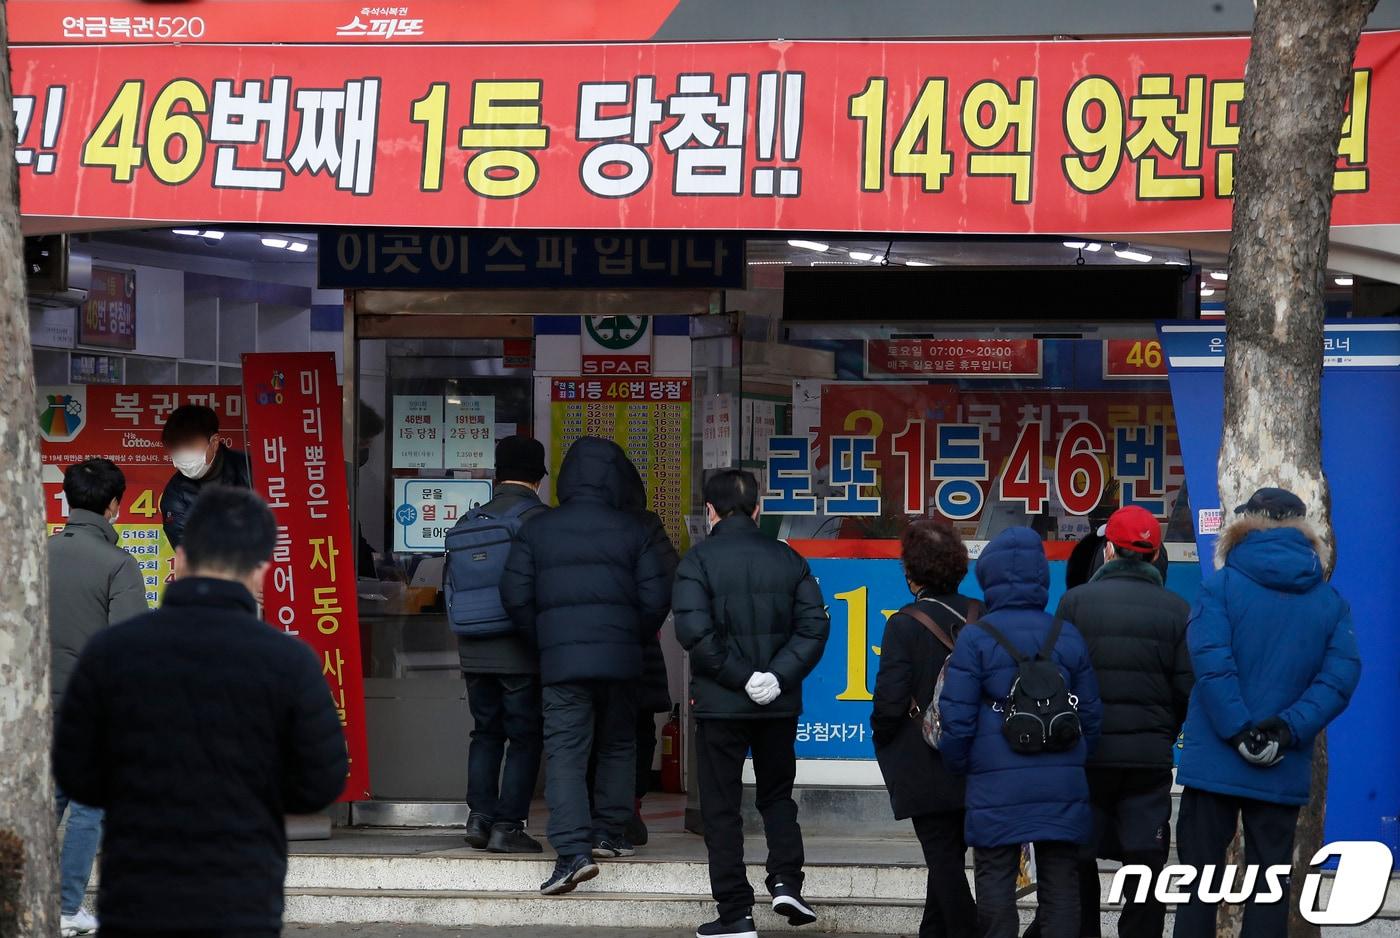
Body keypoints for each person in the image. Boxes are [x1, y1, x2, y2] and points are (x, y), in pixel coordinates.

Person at [53, 486, 349, 938]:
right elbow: (321, 782)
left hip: (137, 893)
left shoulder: (113, 652)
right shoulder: (289, 661)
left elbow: (76, 774)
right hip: (244, 893)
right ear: (260, 570)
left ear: (180, 559)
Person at [1173, 488, 1360, 938]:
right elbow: (1340, 676)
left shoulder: (1218, 588)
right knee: (1270, 888)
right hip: (1281, 764)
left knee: (1197, 883)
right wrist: (1286, 729)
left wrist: (1239, 730)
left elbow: (1211, 663)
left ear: (1244, 525)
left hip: (1215, 762)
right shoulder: (1329, 603)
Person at [499, 437, 675, 896]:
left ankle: (572, 853)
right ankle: (610, 833)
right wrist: (628, 637)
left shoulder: (538, 529)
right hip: (621, 660)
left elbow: (514, 595)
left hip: (562, 663)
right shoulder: (634, 529)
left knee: (566, 752)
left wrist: (548, 640)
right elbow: (657, 596)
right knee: (618, 744)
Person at [673, 469, 831, 938]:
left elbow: (694, 633)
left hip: (720, 705)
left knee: (721, 807)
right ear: (758, 510)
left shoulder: (696, 561)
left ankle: (735, 913)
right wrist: (776, 677)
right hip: (776, 706)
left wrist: (742, 678)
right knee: (777, 795)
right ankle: (787, 881)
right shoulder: (789, 559)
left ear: (710, 511)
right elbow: (814, 627)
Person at [1028, 506, 1192, 938]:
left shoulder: (1075, 603)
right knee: (1146, 861)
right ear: (1155, 554)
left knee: (1078, 856)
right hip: (1148, 762)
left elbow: (1052, 678)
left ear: (1109, 550)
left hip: (1085, 757)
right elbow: (1186, 689)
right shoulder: (1178, 609)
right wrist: (1162, 732)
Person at [937, 526, 1102, 938]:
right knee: (1061, 883)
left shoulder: (975, 638)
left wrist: (962, 767)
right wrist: (1074, 761)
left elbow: (956, 719)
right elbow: (1091, 716)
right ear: (1041, 577)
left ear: (988, 578)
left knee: (995, 877)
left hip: (995, 785)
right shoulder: (1065, 633)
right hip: (1061, 781)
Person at [49, 458, 149, 937]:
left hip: (34, 708)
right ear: (114, 505)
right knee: (87, 807)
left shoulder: (32, 555)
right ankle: (67, 908)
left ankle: (19, 901)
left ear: (68, 499)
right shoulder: (118, 565)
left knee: (43, 803)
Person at [870, 519, 979, 938]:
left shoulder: (904, 624)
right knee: (947, 853)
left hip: (924, 761)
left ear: (912, 572)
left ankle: (972, 931)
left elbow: (889, 701)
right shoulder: (981, 615)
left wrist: (884, 740)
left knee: (942, 858)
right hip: (974, 757)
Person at [457, 437, 550, 855]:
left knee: (485, 732)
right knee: (524, 736)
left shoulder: (469, 520)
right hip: (519, 648)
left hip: (473, 645)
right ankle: (508, 825)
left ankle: (479, 817)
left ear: (497, 474)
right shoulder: (540, 521)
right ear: (539, 477)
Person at [587, 460, 679, 847]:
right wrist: (636, 629)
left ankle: (593, 814)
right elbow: (667, 581)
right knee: (636, 732)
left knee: (586, 732)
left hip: (580, 650)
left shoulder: (572, 523)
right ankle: (628, 812)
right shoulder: (644, 525)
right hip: (636, 648)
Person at [159, 404, 251, 548]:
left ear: (214, 442)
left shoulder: (250, 469)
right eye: (176, 447)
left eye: (190, 445)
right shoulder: (175, 495)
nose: (182, 454)